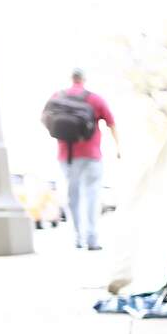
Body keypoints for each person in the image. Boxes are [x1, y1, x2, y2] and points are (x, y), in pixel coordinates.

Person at [48, 68, 119, 250]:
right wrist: (118, 148)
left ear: (71, 78)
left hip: (66, 155)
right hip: (91, 155)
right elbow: (111, 123)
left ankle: (78, 237)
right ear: (84, 79)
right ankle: (92, 239)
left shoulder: (57, 97)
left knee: (72, 197)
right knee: (92, 196)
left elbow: (46, 119)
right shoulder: (95, 99)